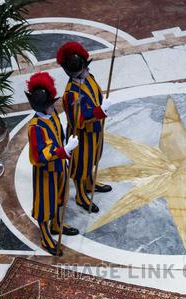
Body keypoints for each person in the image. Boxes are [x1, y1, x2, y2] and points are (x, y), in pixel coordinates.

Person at [26, 72, 80, 256]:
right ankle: (45, 234)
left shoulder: (53, 114)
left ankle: (57, 225)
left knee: (60, 198)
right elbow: (40, 155)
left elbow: (59, 134)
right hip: (45, 172)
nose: (53, 106)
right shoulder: (35, 127)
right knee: (44, 205)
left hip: (59, 167)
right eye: (50, 105)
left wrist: (67, 145)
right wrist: (63, 151)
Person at [57, 41, 112, 213]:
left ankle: (90, 183)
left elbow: (97, 95)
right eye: (81, 71)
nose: (85, 72)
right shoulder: (71, 93)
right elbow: (77, 119)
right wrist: (98, 112)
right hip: (81, 136)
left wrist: (102, 106)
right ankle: (81, 194)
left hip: (96, 131)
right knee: (81, 166)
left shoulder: (90, 77)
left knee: (94, 159)